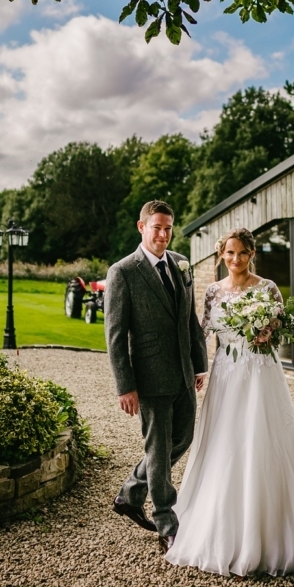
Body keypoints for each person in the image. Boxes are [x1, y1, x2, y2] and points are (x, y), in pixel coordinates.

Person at [166, 227, 294, 576]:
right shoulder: (212, 291)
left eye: (242, 252)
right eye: (230, 252)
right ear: (221, 254)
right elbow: (203, 333)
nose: (236, 259)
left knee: (262, 438)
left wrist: (266, 331)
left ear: (252, 254)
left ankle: (274, 525)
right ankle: (220, 520)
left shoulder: (267, 288)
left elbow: (281, 329)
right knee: (225, 441)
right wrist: (196, 369)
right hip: (226, 374)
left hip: (260, 374)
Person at [105, 200, 208, 552]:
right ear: (141, 227)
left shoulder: (181, 263)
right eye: (157, 228)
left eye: (168, 229)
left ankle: (130, 495)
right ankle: (166, 523)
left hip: (184, 374)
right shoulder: (123, 272)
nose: (163, 235)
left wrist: (199, 364)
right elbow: (115, 335)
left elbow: (189, 319)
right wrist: (126, 386)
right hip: (150, 379)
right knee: (159, 449)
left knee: (183, 438)